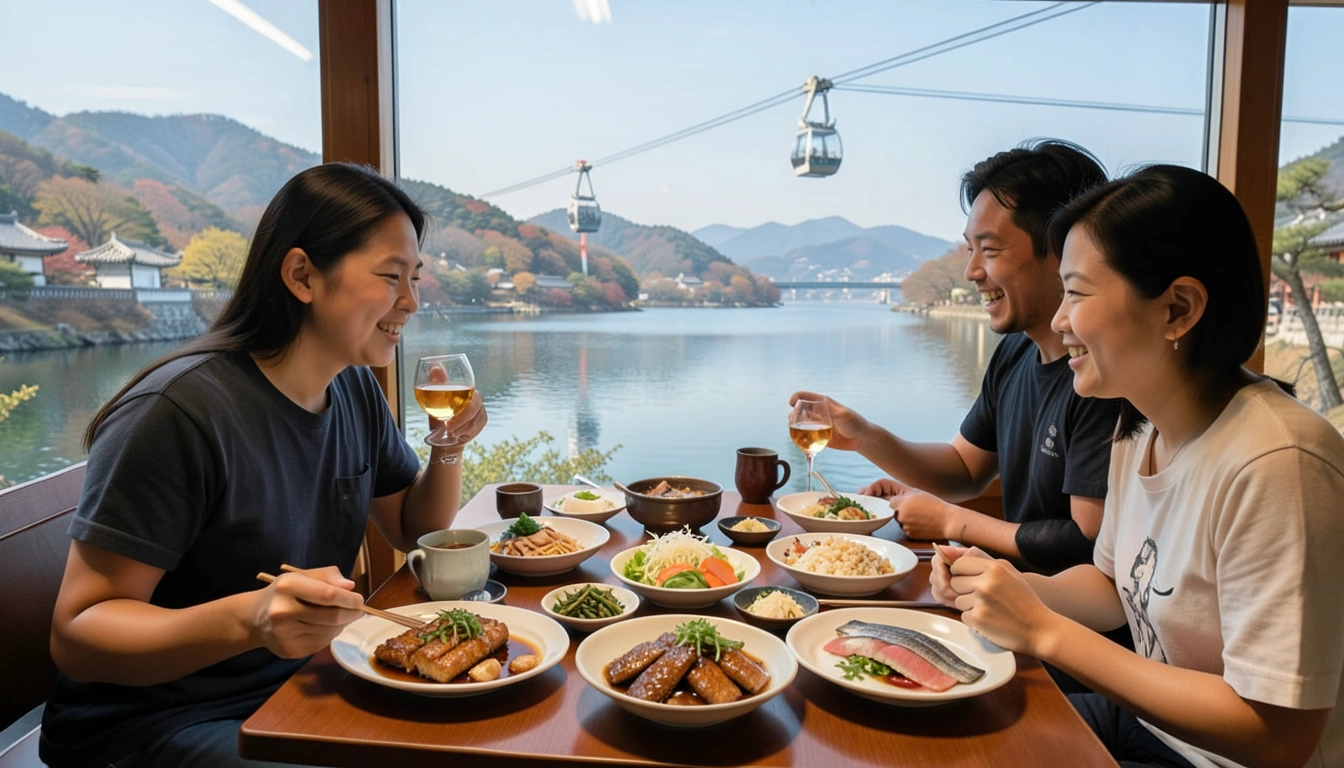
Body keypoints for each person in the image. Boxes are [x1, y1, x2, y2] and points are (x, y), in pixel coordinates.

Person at [40, 162, 488, 768]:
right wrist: (249, 618)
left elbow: (411, 529)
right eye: (390, 276)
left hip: (301, 682)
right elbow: (79, 635)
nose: (410, 302)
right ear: (302, 275)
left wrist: (448, 445)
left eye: (415, 278)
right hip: (154, 724)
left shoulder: (353, 388)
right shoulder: (178, 412)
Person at [936, 164, 1344, 768]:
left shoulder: (1279, 463)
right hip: (1154, 730)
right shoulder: (1139, 427)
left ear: (1177, 309)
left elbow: (1278, 735)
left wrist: (1045, 632)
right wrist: (1008, 588)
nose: (1057, 320)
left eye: (1076, 292)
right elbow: (1110, 587)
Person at [791, 138, 1119, 574]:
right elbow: (965, 470)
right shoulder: (1017, 351)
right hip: (1002, 599)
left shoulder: (1105, 376)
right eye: (970, 249)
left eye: (991, 249)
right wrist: (865, 437)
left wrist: (953, 521)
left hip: (1062, 621)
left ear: (1066, 250)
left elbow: (1087, 540)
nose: (971, 272)